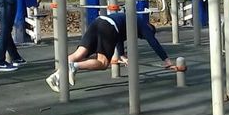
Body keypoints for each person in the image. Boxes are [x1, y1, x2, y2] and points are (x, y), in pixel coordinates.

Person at [46, 10, 178, 92]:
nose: (142, 36)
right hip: (108, 27)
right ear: (150, 27)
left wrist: (122, 55)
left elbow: (118, 39)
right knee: (103, 63)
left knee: (78, 54)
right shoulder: (142, 24)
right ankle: (74, 66)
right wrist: (167, 60)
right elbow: (153, 42)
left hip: (98, 21)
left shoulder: (129, 21)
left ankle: (55, 76)